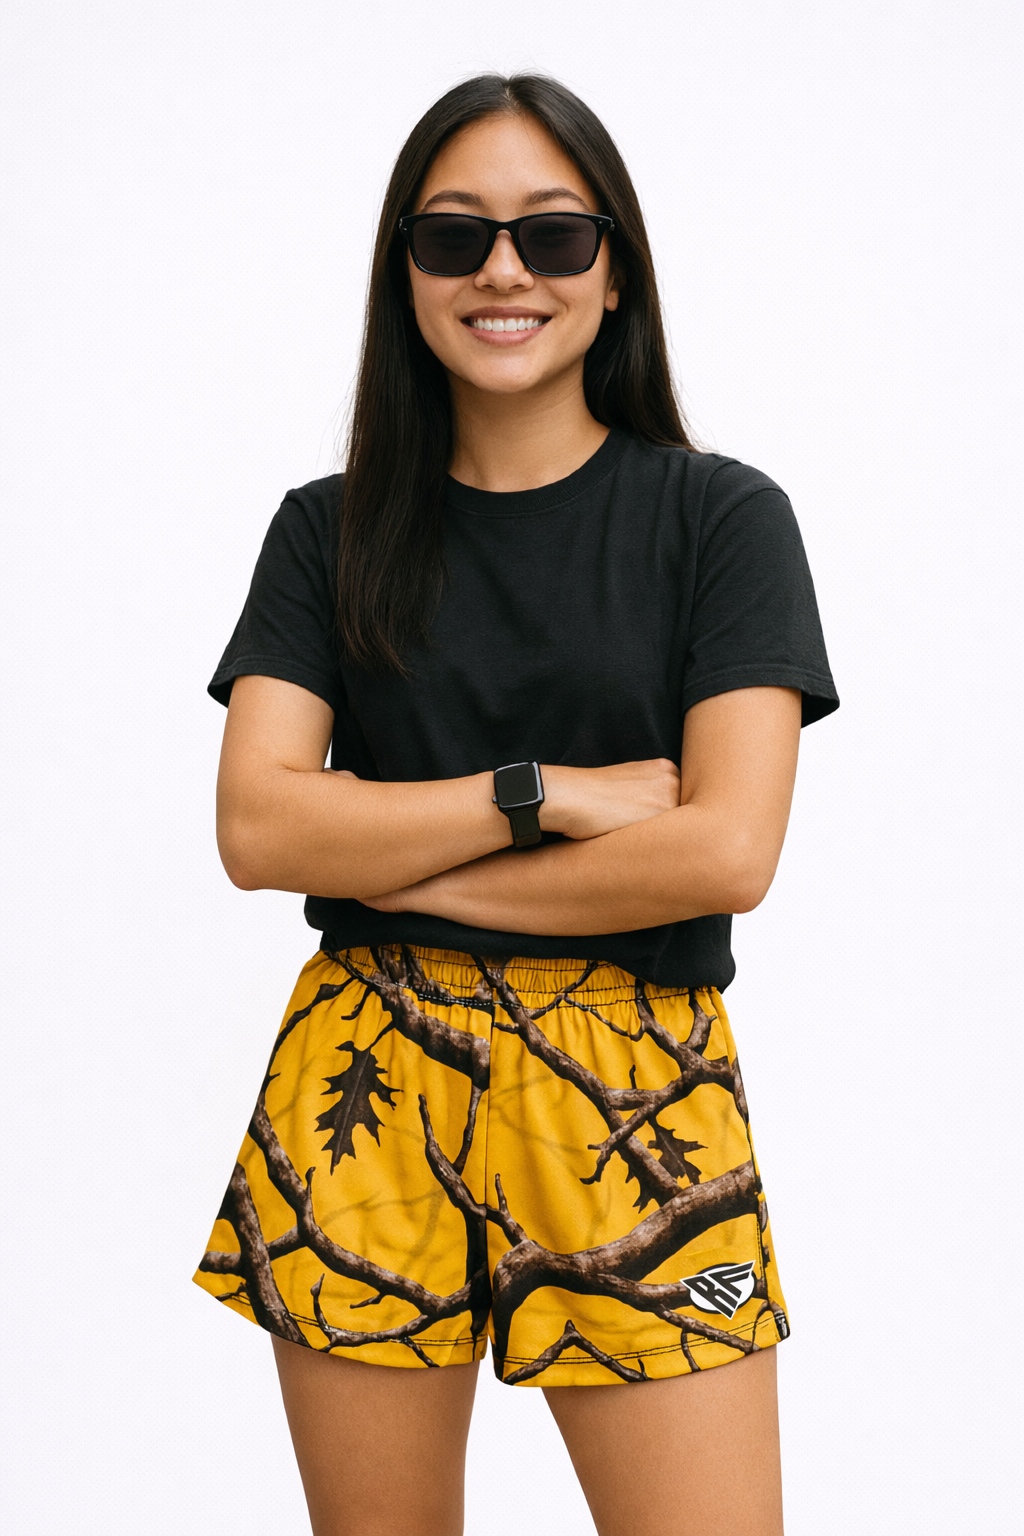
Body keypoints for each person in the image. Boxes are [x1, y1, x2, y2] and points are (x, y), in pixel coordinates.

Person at [193, 73, 838, 1536]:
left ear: (615, 278)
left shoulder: (721, 521)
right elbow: (257, 829)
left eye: (553, 237)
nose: (503, 271)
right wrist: (546, 797)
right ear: (404, 275)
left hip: (636, 1088)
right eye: (453, 237)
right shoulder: (327, 531)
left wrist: (388, 862)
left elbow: (728, 851)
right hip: (367, 1077)